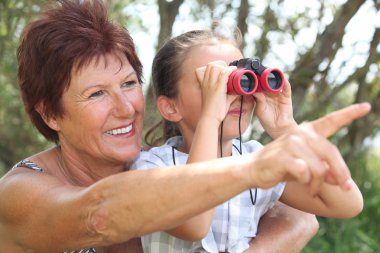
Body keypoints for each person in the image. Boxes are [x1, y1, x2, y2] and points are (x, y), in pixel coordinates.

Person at [0, 0, 371, 252]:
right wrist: (253, 169)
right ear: (50, 113)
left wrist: (284, 129)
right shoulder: (20, 192)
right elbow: (99, 214)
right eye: (96, 94)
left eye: (129, 84)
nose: (125, 108)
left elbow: (303, 217)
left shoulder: (163, 161)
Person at [132, 29, 365, 253]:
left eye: (243, 80)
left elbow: (347, 203)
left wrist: (285, 128)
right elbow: (195, 225)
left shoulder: (255, 159)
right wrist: (211, 118)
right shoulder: (152, 167)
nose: (236, 95)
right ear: (171, 107)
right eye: (213, 83)